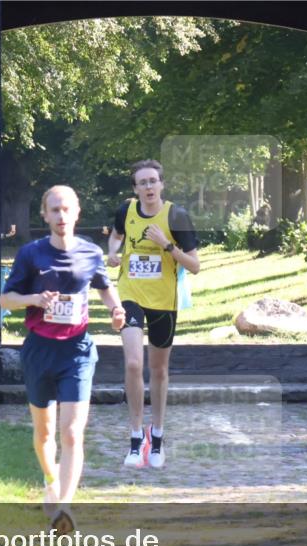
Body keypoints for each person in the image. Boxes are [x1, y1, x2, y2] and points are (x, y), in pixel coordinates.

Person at [0, 185, 125, 534]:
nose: (61, 216)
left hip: (78, 351)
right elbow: (5, 300)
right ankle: (50, 479)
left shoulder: (90, 251)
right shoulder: (30, 254)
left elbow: (102, 285)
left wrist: (115, 309)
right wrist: (35, 299)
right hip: (40, 349)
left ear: (77, 212)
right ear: (44, 214)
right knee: (44, 433)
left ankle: (65, 508)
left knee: (71, 432)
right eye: (54, 210)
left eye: (66, 209)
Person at [107, 160, 200, 469]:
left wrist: (167, 245)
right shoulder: (126, 211)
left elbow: (195, 266)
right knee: (133, 363)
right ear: (135, 189)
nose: (148, 187)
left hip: (164, 300)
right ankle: (135, 439)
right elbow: (117, 235)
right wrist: (112, 252)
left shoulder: (177, 216)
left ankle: (157, 436)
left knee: (158, 371)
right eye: (142, 183)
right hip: (131, 293)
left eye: (152, 181)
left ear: (162, 184)